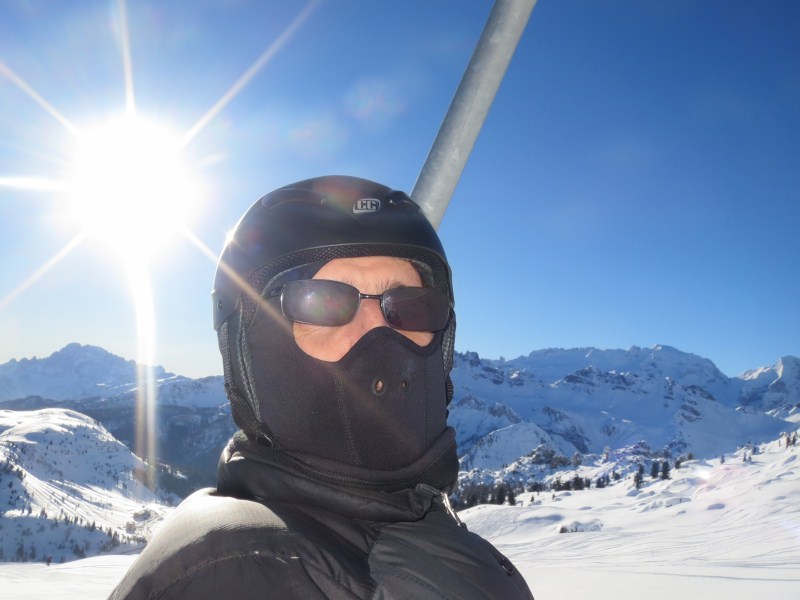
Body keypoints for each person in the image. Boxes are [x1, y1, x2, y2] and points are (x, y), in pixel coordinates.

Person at [109, 175, 534, 599]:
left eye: (410, 306)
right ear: (248, 350)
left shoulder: (417, 524)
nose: (380, 338)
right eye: (323, 304)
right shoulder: (240, 572)